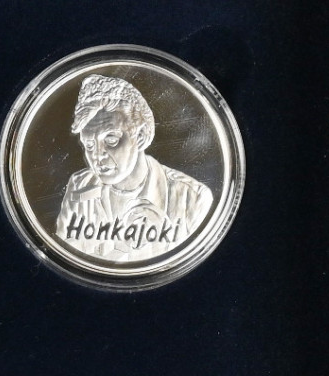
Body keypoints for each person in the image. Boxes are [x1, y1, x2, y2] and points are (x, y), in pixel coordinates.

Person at [53, 73, 214, 264]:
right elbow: (67, 259)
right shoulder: (79, 185)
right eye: (89, 145)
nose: (97, 155)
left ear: (141, 137)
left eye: (111, 140)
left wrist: (163, 240)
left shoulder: (193, 198)